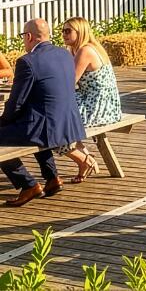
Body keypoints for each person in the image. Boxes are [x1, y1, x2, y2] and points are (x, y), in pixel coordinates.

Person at [0, 19, 85, 207]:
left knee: (20, 130)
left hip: (46, 128)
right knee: (30, 126)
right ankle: (52, 178)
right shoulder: (64, 54)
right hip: (67, 123)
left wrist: (3, 121)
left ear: (29, 37)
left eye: (23, 36)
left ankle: (28, 184)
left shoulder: (27, 61)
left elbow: (16, 103)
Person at [61, 17, 122, 183]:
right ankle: (85, 159)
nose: (64, 34)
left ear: (80, 32)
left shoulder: (85, 51)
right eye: (63, 30)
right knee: (57, 117)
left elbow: (68, 82)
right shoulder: (75, 49)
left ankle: (84, 160)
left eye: (68, 31)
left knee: (54, 125)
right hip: (97, 101)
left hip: (98, 105)